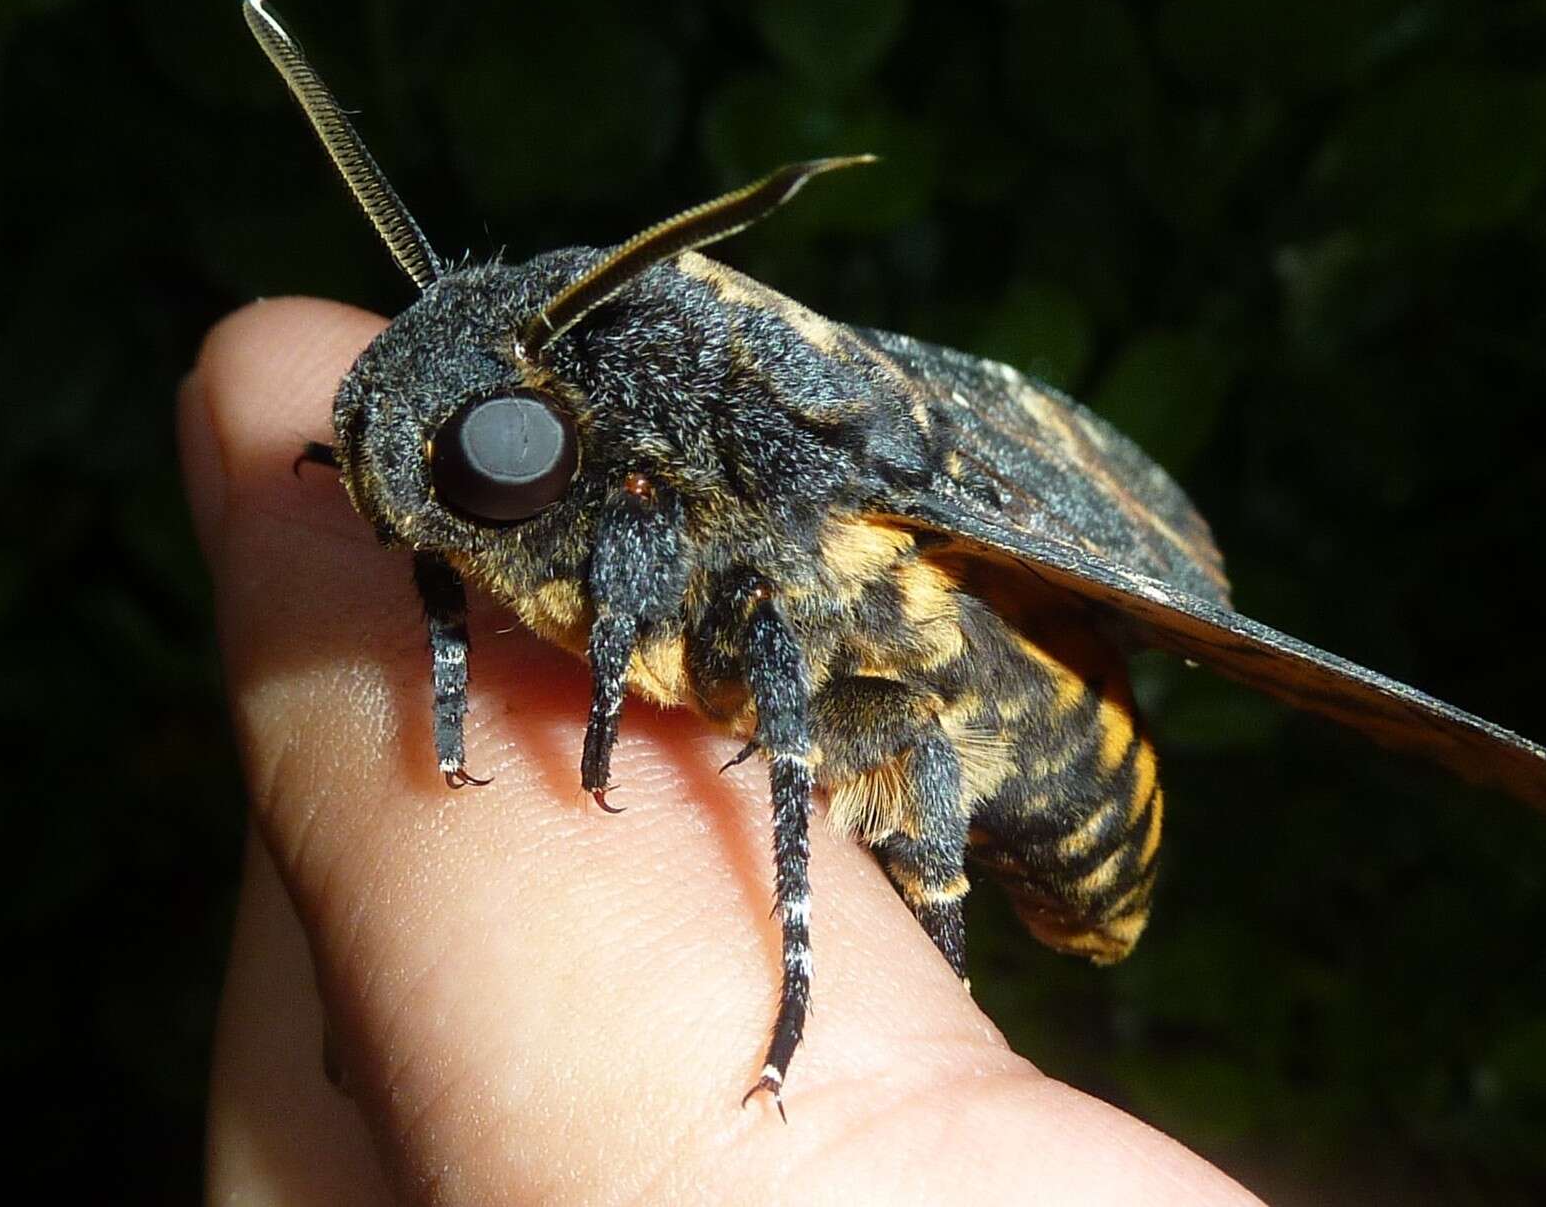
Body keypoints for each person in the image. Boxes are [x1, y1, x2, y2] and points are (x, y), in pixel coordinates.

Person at [183, 299, 1264, 1205]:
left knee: (875, 711)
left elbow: (755, 616)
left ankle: (831, 949)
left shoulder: (692, 493)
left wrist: (795, 945)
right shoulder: (572, 458)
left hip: (1037, 735)